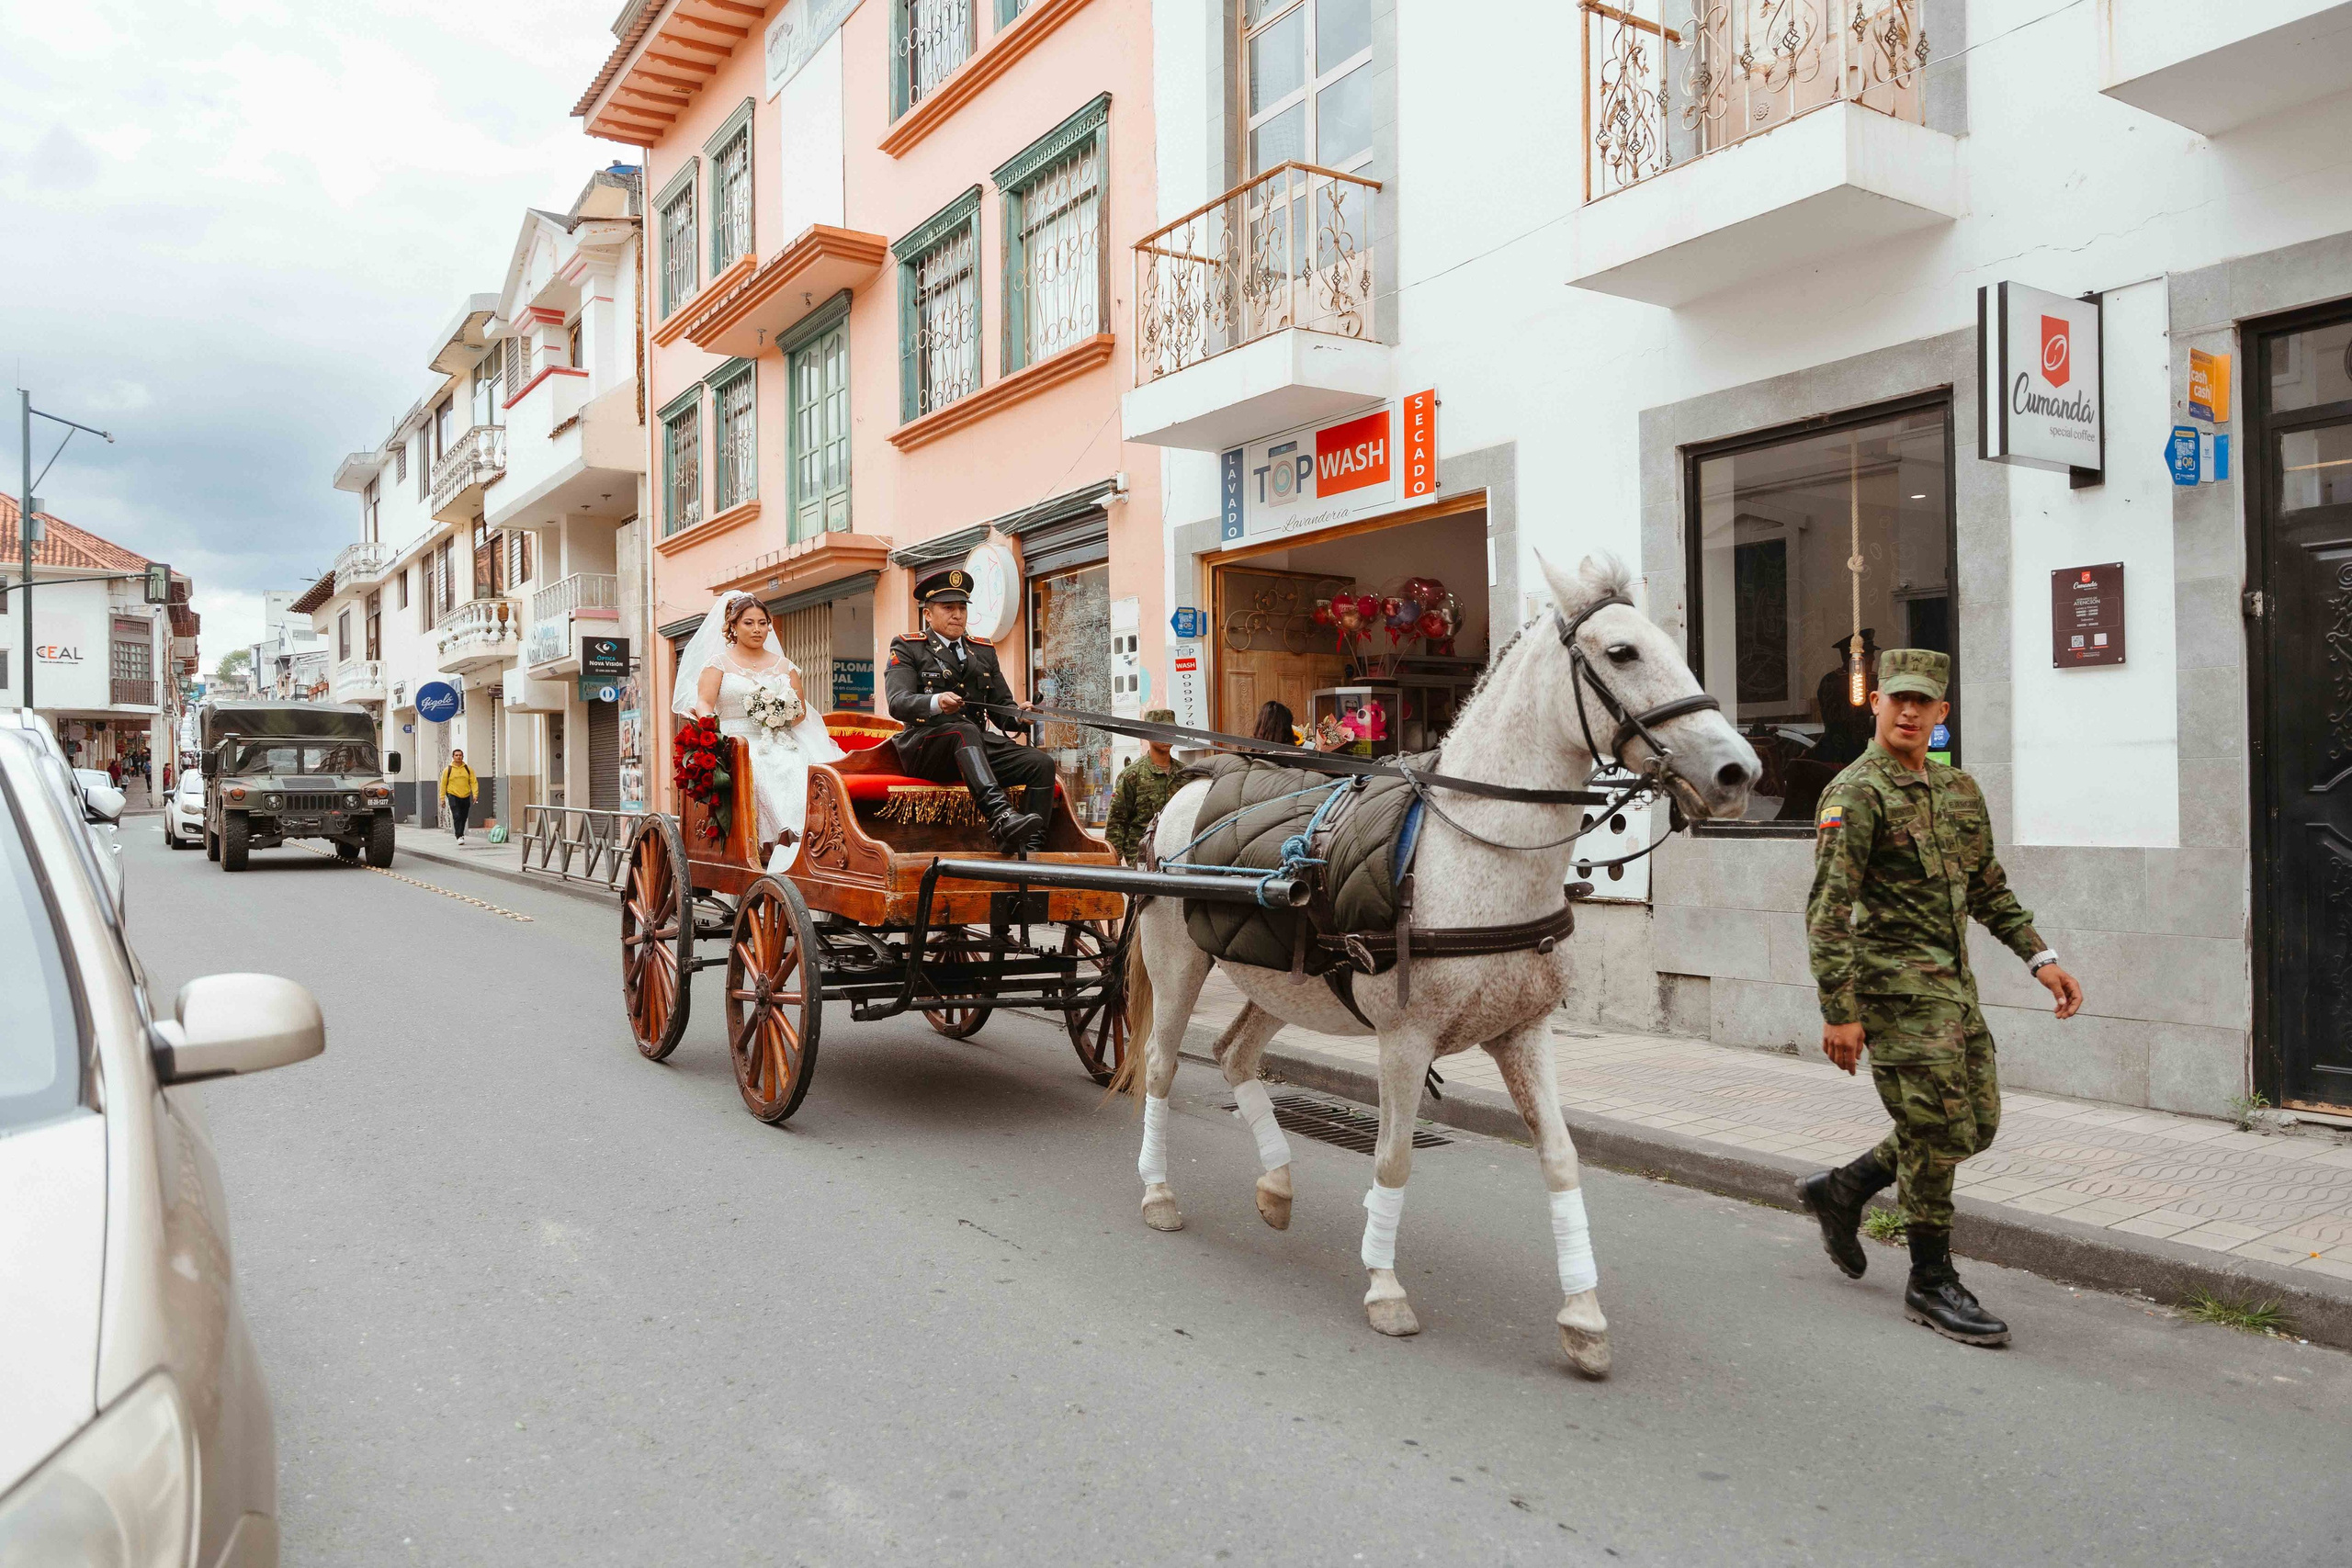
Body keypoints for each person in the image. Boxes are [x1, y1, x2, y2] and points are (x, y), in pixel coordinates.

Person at [1798, 649, 2084, 1348]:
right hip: (1892, 995)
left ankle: (1844, 1187)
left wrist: (2039, 956)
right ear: (1878, 704)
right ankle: (1930, 1279)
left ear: (1941, 712)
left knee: (1975, 1124)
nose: (1908, 711)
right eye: (1897, 698)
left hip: (1954, 991)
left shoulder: (1959, 791)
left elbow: (1987, 885)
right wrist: (1840, 1009)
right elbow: (1829, 909)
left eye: (1922, 701)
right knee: (1934, 1133)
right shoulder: (1855, 792)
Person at [883, 568, 1055, 854]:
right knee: (963, 731)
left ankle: (1031, 847)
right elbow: (897, 703)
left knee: (1041, 764)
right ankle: (1002, 819)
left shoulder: (983, 651)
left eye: (962, 607)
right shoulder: (908, 647)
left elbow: (1002, 708)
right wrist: (936, 702)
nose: (957, 615)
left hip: (974, 745)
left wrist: (1018, 715)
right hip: (927, 748)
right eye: (948, 607)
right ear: (928, 614)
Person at [673, 591, 843, 867]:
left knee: (801, 764)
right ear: (733, 626)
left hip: (781, 738)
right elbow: (704, 703)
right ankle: (768, 848)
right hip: (736, 740)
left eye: (763, 623)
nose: (757, 629)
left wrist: (779, 713)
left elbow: (799, 712)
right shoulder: (718, 664)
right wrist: (714, 731)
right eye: (749, 623)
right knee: (759, 764)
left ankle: (802, 847)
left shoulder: (785, 666)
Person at [1104, 709, 1182, 864]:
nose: (1166, 736)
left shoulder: (1185, 774)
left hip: (1177, 854)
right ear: (1146, 734)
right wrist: (1114, 863)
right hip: (1142, 857)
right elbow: (1116, 822)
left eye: (1171, 730)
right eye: (1160, 731)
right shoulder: (1132, 775)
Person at [440, 750, 477, 845]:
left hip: (465, 795)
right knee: (457, 815)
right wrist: (442, 798)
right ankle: (458, 835)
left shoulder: (468, 769)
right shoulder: (448, 770)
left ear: (463, 757)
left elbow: (473, 782)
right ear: (453, 757)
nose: (458, 757)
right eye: (456, 755)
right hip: (453, 795)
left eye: (460, 755)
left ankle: (461, 833)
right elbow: (443, 784)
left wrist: (475, 794)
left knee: (464, 817)